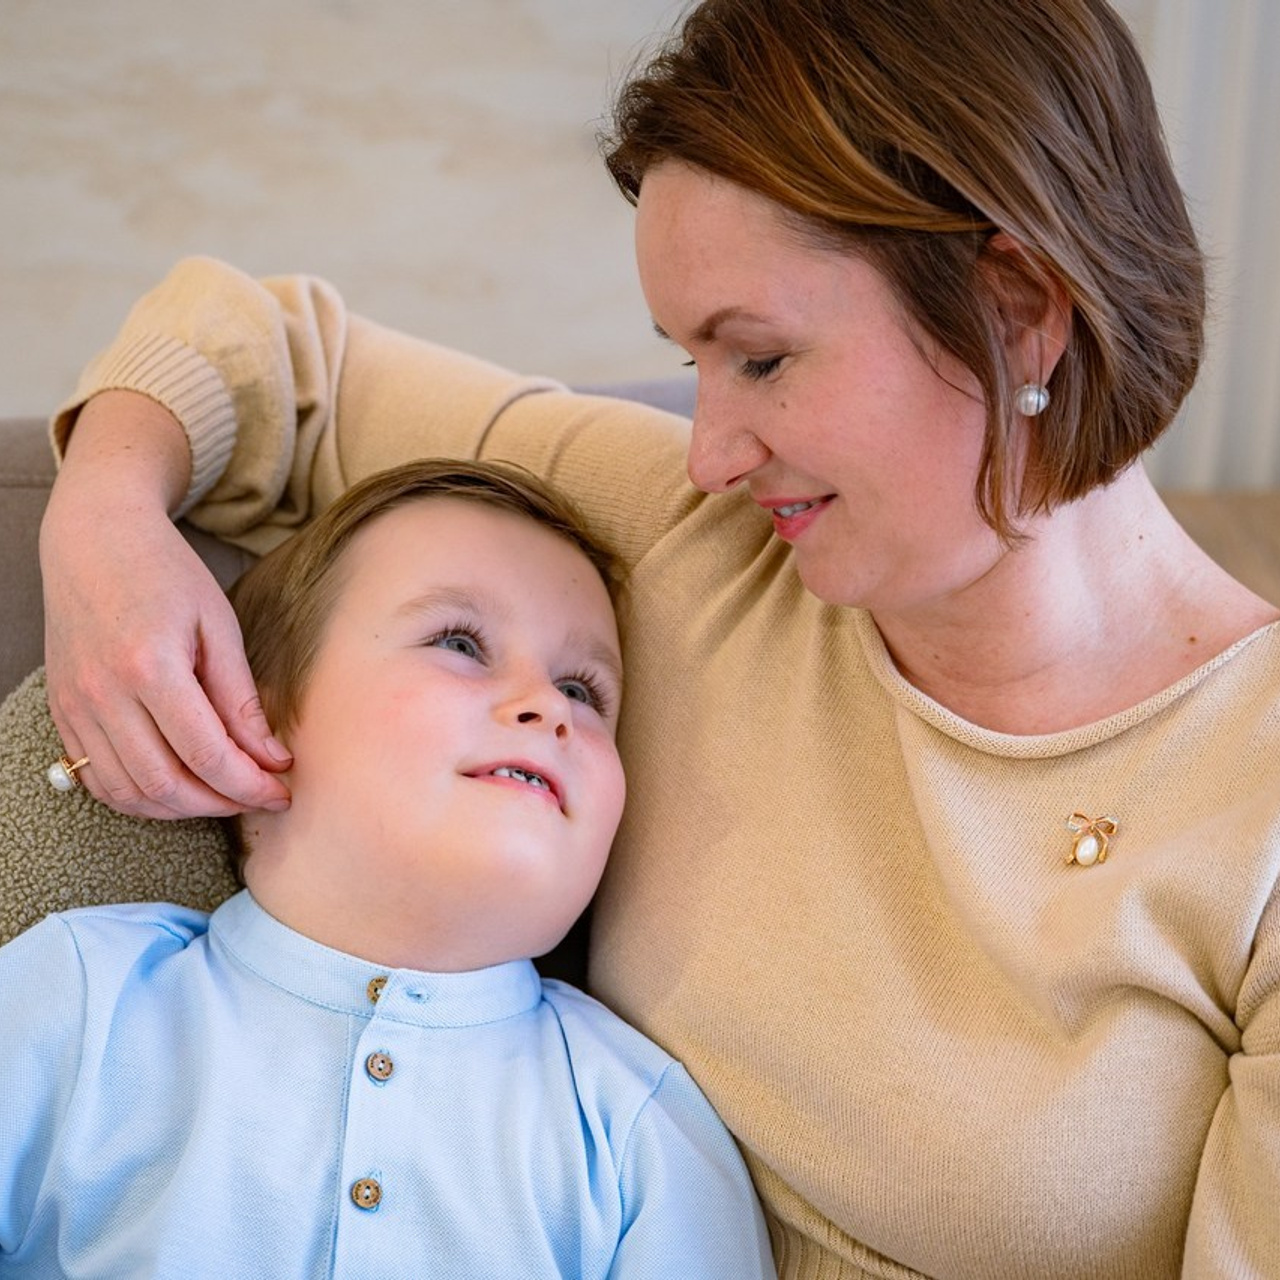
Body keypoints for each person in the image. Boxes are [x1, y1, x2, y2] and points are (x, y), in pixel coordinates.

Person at [35, 0, 1280, 1274]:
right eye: (691, 361)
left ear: (1018, 307)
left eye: (760, 357)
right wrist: (103, 518)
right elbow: (267, 347)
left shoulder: (1254, 804)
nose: (710, 451)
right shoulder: (693, 539)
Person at [3, 459, 775, 1277]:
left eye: (585, 691)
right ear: (246, 718)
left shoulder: (635, 1124)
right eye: (459, 642)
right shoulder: (82, 1001)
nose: (548, 706)